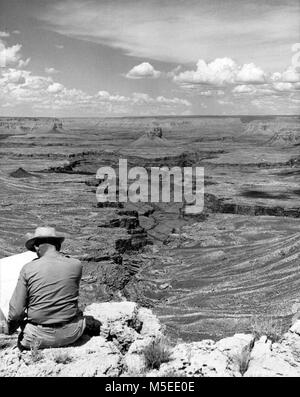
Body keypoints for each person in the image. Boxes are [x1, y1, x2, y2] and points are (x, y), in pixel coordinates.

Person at [7, 226, 86, 350]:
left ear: (37, 247)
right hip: (72, 334)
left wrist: (10, 330)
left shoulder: (28, 268)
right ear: (58, 245)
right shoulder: (76, 265)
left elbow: (16, 312)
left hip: (38, 338)